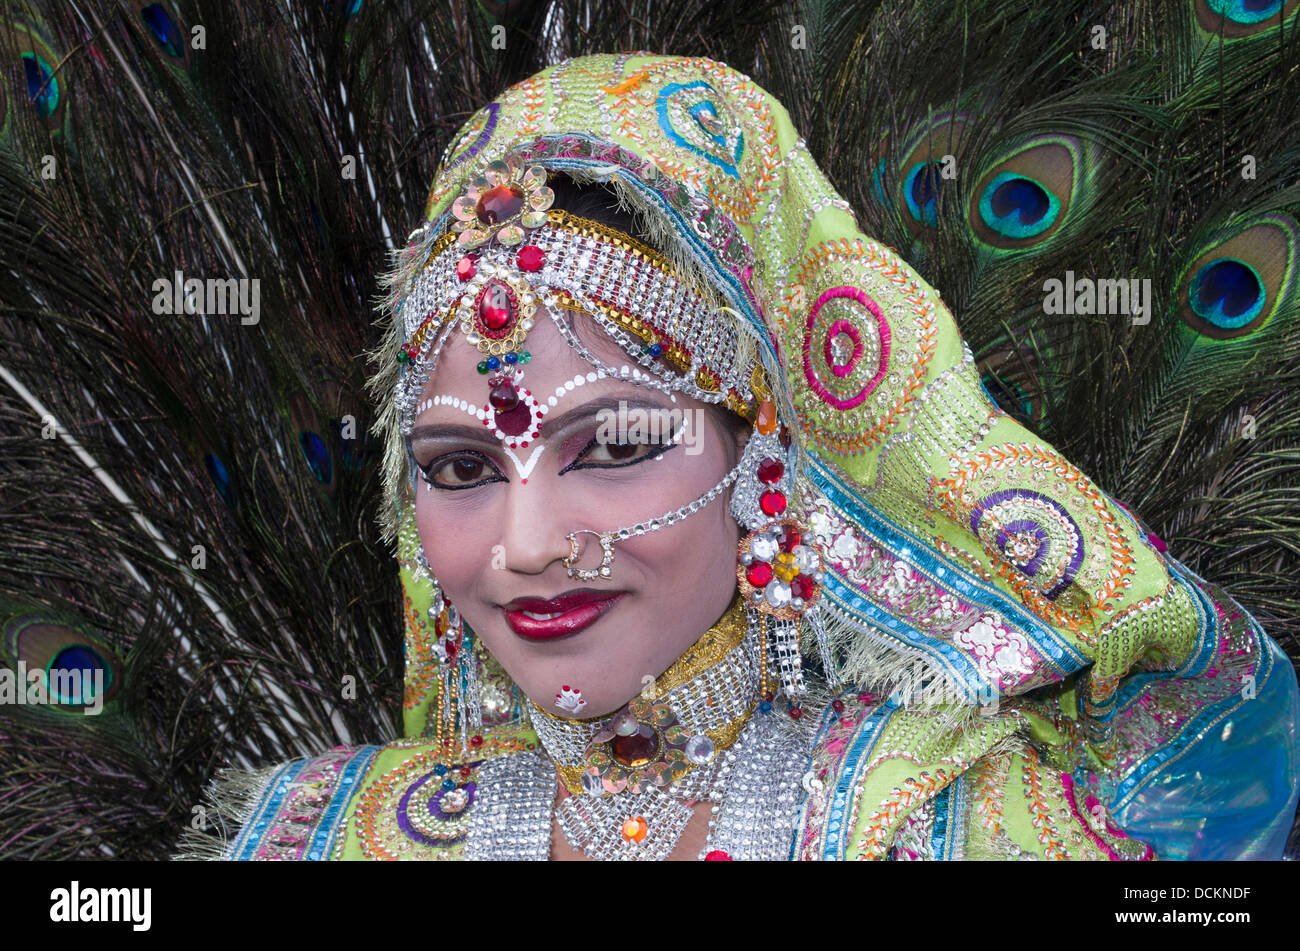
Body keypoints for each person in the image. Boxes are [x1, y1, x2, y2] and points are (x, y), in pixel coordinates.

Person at [196, 53, 1300, 861]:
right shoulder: (311, 835)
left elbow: (1212, 743)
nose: (528, 548)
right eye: (459, 468)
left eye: (616, 444)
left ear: (765, 456)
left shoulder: (948, 819)